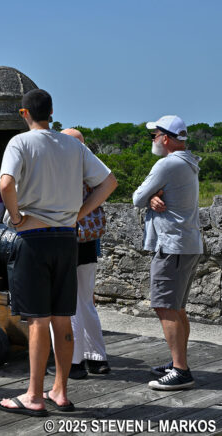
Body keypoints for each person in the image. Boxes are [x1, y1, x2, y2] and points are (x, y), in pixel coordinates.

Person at [0, 89, 117, 416]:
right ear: (51, 112)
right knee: (63, 317)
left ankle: (34, 395)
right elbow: (109, 183)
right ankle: (60, 391)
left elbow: (6, 184)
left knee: (38, 320)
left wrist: (17, 217)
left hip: (33, 238)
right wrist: (78, 214)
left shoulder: (20, 143)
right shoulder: (73, 145)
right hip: (67, 238)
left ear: (24, 114)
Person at [133, 115, 203, 391]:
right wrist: (153, 197)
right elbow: (148, 198)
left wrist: (147, 196)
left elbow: (136, 198)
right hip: (187, 243)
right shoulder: (187, 163)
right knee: (177, 308)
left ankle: (181, 370)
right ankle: (178, 362)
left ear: (166, 138)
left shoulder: (168, 163)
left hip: (171, 245)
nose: (153, 140)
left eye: (155, 135)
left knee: (165, 307)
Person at [58, 128, 111, 379]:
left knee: (69, 304)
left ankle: (75, 361)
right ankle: (97, 358)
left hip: (68, 238)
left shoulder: (64, 168)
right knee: (85, 302)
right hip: (88, 240)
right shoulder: (92, 169)